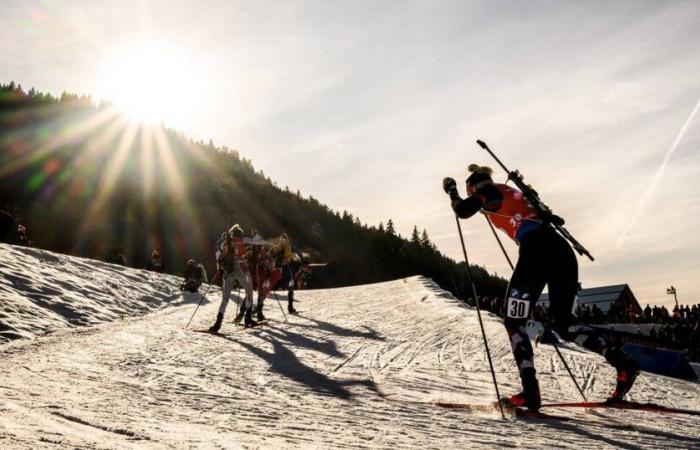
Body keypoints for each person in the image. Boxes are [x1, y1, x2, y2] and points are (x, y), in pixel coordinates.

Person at [443, 164, 639, 411]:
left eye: (469, 190)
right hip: (560, 251)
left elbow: (462, 210)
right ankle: (622, 362)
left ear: (473, 187)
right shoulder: (513, 194)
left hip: (536, 250)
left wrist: (451, 190)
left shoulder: (489, 193)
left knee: (514, 322)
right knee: (564, 323)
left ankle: (530, 391)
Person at [208, 224, 256, 331]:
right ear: (240, 235)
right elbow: (243, 254)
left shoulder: (225, 242)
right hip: (240, 269)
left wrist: (220, 266)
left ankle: (217, 323)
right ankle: (247, 318)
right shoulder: (241, 241)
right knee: (249, 292)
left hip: (227, 271)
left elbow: (217, 255)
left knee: (225, 299)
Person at [270, 233, 297, 314]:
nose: (285, 241)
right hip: (285, 268)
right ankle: (290, 306)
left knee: (272, 286)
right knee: (291, 285)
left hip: (278, 268)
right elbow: (291, 258)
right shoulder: (285, 247)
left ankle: (290, 306)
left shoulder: (277, 246)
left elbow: (270, 253)